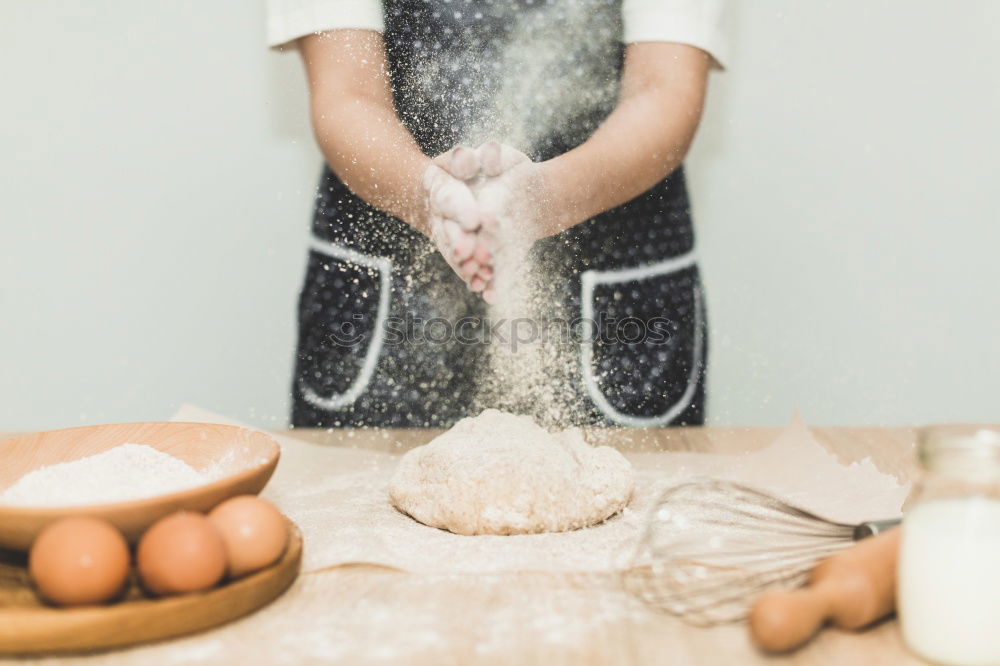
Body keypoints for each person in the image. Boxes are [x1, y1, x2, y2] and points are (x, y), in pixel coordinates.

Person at [267, 0, 727, 428]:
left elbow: (663, 89)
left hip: (613, 293)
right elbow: (347, 95)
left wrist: (546, 198)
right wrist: (422, 193)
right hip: (386, 297)